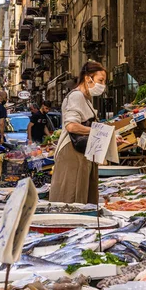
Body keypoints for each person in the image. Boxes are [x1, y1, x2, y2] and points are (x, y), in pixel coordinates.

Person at [50, 61, 106, 204]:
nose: (103, 85)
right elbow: (71, 126)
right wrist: (101, 132)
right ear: (88, 78)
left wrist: (110, 137)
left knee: (83, 196)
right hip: (73, 153)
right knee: (72, 197)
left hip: (83, 152)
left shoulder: (87, 98)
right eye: (101, 80)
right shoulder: (77, 96)